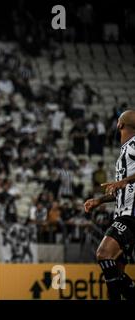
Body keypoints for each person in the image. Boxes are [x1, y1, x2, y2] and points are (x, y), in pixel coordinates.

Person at [84, 110, 135, 300]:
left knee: (103, 254)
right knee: (114, 271)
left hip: (131, 215)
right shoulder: (124, 151)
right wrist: (99, 200)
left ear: (120, 125)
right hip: (123, 212)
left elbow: (126, 184)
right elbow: (124, 189)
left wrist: (125, 181)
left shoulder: (133, 145)